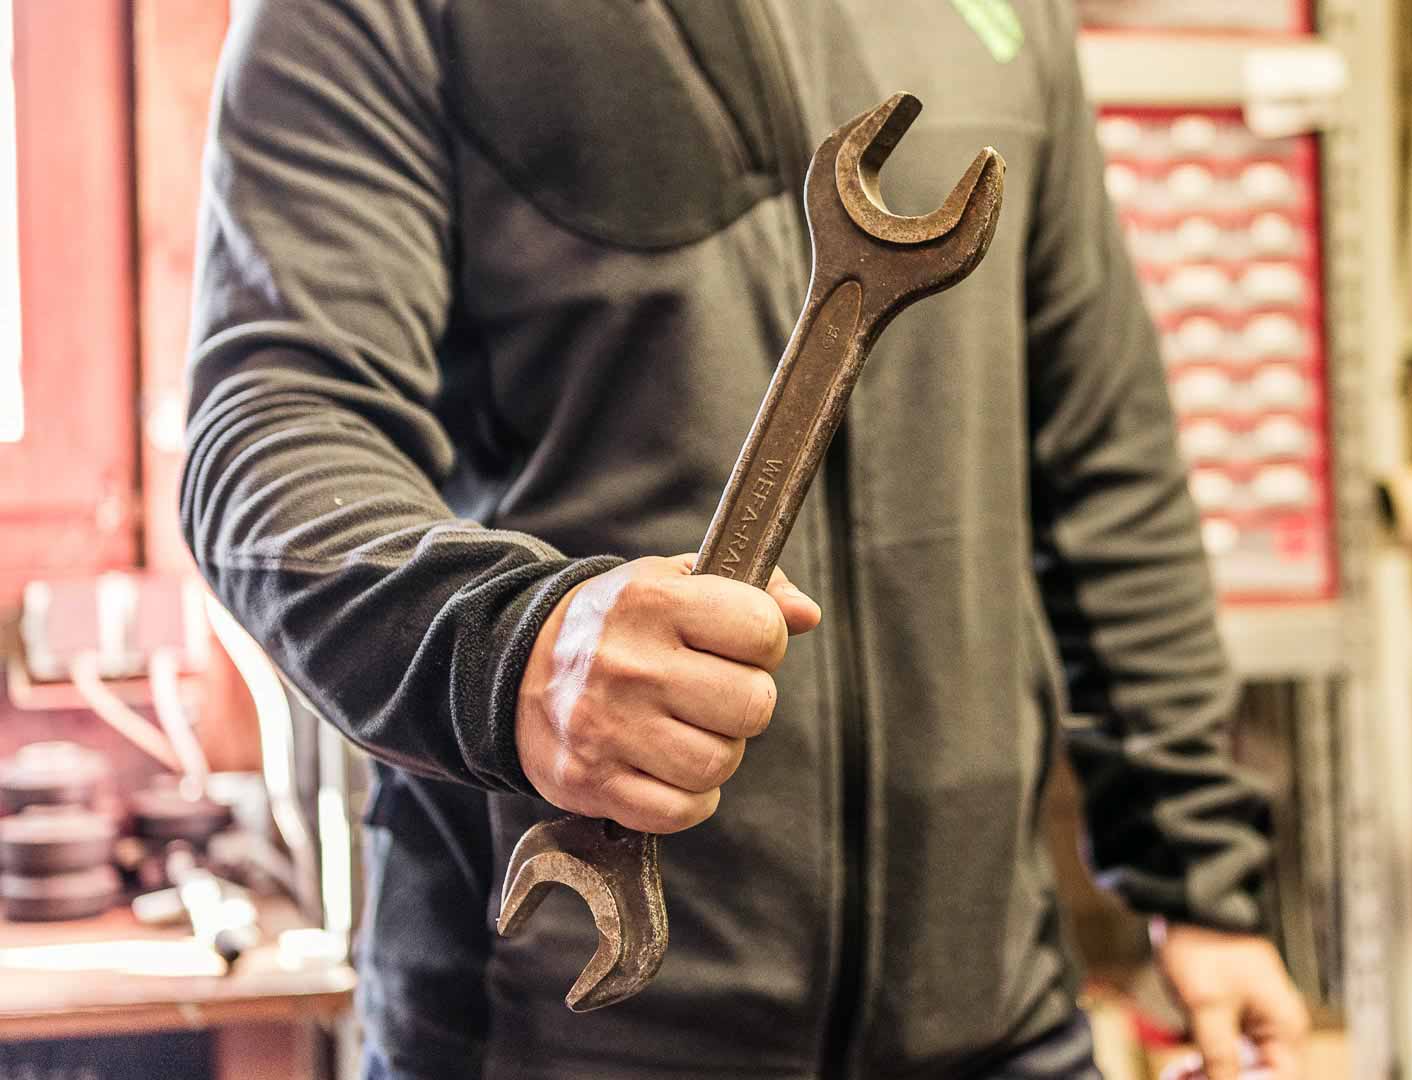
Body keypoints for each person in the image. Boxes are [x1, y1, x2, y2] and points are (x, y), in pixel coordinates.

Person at [181, 2, 1308, 1078]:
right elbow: (268, 436)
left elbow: (1105, 455)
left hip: (998, 1023)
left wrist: (1198, 880)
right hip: (551, 1042)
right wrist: (510, 651)